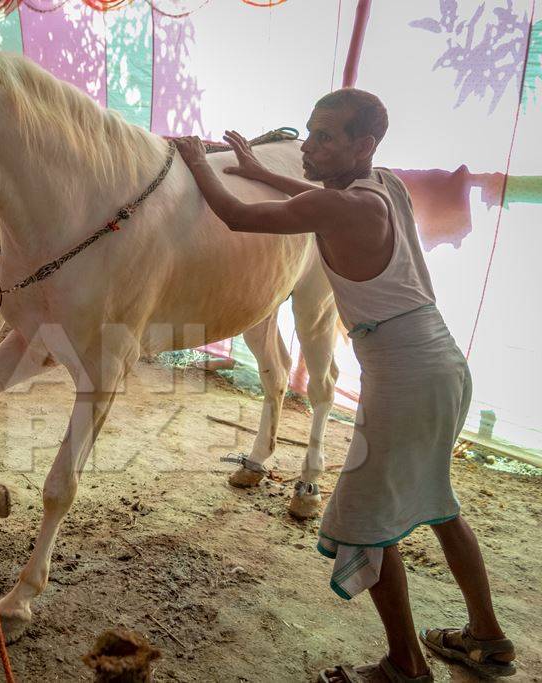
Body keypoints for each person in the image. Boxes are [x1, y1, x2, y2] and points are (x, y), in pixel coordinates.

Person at [171, 88, 516, 682]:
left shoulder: (346, 207)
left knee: (364, 524)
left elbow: (238, 215)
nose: (310, 146)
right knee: (437, 502)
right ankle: (487, 636)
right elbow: (319, 198)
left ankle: (404, 665)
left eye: (325, 137)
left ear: (364, 145)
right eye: (309, 131)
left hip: (404, 376)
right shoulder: (383, 185)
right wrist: (260, 169)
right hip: (441, 363)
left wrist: (197, 159)